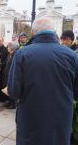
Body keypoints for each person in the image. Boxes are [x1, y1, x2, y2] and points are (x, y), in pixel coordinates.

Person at [8, 17, 78, 145]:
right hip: (60, 118)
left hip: (30, 117)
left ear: (33, 33)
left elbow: (13, 92)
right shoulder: (72, 56)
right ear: (54, 31)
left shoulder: (22, 54)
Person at [2, 42, 19, 109]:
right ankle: (9, 101)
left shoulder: (15, 55)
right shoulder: (10, 54)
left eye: (9, 47)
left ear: (12, 48)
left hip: (11, 74)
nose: (7, 48)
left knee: (11, 88)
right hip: (7, 73)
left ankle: (13, 104)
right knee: (8, 88)